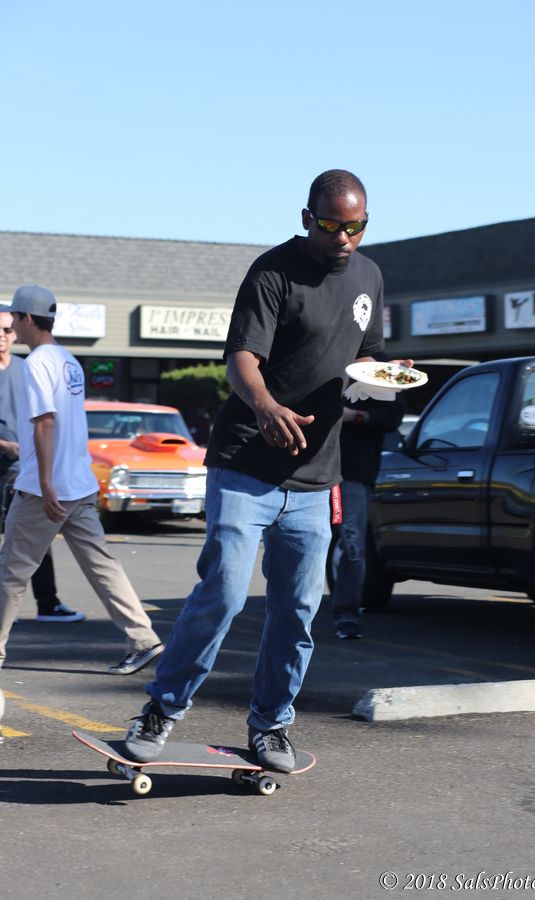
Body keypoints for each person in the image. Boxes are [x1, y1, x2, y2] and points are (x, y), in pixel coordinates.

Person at [124, 169, 412, 772]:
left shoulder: (369, 276)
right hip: (246, 464)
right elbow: (241, 358)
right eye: (330, 225)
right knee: (224, 592)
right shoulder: (273, 271)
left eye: (355, 227)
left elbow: (366, 356)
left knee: (298, 609)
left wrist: (387, 375)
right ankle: (161, 709)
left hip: (316, 475)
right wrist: (265, 406)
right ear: (307, 218)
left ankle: (271, 724)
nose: (343, 238)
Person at [0, 285, 164, 675]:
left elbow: (45, 423)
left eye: (14, 320)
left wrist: (45, 484)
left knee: (10, 574)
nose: (12, 328)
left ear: (26, 318)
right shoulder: (69, 361)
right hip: (81, 483)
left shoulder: (37, 363)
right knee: (103, 566)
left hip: (44, 490)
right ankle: (143, 639)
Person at [0, 306, 85, 622]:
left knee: (34, 535)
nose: (2, 336)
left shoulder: (27, 367)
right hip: (9, 455)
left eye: (7, 330)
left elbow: (45, 420)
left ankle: (47, 603)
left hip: (20, 466)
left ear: (16, 331)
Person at [332, 385, 406, 639]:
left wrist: (355, 415)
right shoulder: (324, 362)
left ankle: (347, 615)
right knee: (295, 539)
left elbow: (392, 417)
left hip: (353, 473)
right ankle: (283, 610)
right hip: (306, 468)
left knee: (352, 544)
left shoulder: (380, 371)